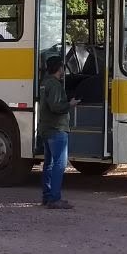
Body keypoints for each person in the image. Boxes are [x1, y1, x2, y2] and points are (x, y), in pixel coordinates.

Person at [38, 55, 80, 209]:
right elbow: (56, 107)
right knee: (59, 164)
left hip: (47, 128)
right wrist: (70, 104)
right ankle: (55, 199)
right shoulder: (55, 85)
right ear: (59, 68)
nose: (64, 69)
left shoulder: (45, 83)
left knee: (48, 164)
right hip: (57, 129)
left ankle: (47, 197)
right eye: (62, 67)